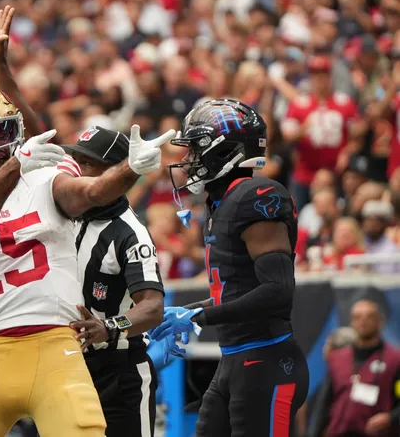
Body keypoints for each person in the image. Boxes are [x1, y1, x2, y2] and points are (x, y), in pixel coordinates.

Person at [0, 10, 175, 436]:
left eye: (1, 133)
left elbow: (90, 191)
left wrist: (131, 169)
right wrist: (15, 164)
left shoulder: (44, 179)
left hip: (58, 348)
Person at [150, 99, 309, 436]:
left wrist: (198, 318)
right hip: (235, 361)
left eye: (196, 149)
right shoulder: (222, 202)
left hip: (267, 362)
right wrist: (188, 310)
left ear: (224, 152)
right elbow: (238, 290)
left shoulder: (256, 194)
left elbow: (277, 291)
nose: (188, 160)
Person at [60, 126, 164, 437]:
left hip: (119, 374)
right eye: (75, 160)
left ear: (117, 174)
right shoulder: (68, 213)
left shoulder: (130, 233)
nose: (77, 169)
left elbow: (153, 306)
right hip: (70, 369)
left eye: (87, 163)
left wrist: (109, 327)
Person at [307, 299, 400, 437]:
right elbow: (324, 404)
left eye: (369, 316)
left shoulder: (394, 360)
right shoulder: (337, 359)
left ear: (379, 322)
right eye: (357, 317)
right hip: (340, 432)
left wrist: (390, 418)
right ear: (352, 322)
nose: (363, 321)